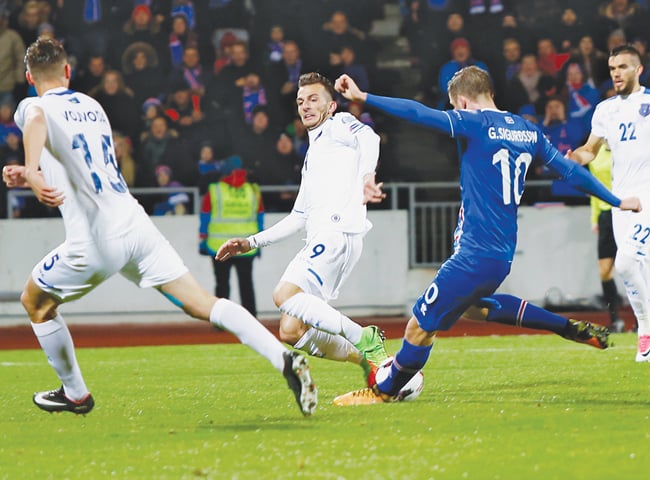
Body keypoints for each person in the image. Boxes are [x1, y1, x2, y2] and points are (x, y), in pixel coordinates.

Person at [1, 37, 316, 416]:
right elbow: (77, 159)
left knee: (34, 302)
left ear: (28, 75)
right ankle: (282, 358)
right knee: (204, 303)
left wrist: (32, 170)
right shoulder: (93, 106)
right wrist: (31, 174)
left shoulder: (32, 104)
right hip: (136, 225)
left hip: (96, 238)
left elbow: (36, 120)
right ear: (68, 72)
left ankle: (75, 394)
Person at [330, 66, 641, 405]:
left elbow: (419, 114)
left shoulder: (474, 122)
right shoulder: (528, 131)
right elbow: (571, 173)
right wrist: (618, 201)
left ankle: (383, 392)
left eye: (455, 107)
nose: (454, 112)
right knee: (475, 309)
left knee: (419, 326)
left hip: (474, 254)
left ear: (463, 101)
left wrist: (364, 97)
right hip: (501, 255)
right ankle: (565, 327)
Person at [215, 72, 390, 387]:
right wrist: (251, 242)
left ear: (331, 105)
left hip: (338, 234)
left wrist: (367, 176)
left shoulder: (338, 126)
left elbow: (370, 138)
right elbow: (299, 216)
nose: (306, 106)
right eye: (300, 101)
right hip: (328, 237)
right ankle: (367, 360)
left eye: (313, 99)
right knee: (291, 331)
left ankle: (364, 337)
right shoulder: (313, 154)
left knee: (283, 295)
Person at [568, 44, 650, 363]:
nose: (616, 73)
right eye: (612, 68)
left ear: (638, 70)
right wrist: (572, 159)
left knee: (625, 262)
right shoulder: (605, 109)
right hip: (622, 200)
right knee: (636, 269)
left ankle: (646, 333)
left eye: (623, 67)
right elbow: (590, 150)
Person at [200, 156, 262, 316]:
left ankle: (220, 321)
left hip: (219, 246)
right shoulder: (253, 190)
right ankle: (251, 319)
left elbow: (205, 216)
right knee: (246, 284)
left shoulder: (215, 190)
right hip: (246, 245)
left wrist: (202, 241)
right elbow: (259, 216)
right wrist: (260, 243)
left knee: (221, 285)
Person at [589, 141, 626, 334]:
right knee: (605, 271)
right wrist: (594, 217)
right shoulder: (596, 155)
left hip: (627, 212)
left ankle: (642, 320)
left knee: (632, 267)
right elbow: (593, 186)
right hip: (606, 216)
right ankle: (616, 319)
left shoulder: (627, 149)